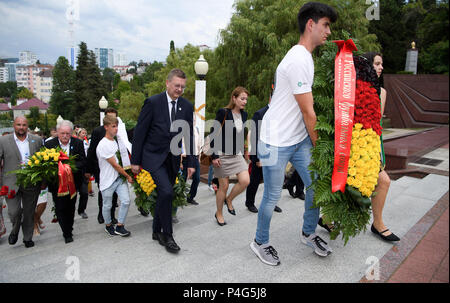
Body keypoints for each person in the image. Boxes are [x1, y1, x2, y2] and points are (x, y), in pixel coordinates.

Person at [250, 2, 337, 266]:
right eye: (325, 25)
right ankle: (260, 241)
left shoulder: (305, 56)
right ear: (311, 24)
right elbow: (309, 113)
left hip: (297, 139)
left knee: (315, 186)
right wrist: (321, 148)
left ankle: (309, 233)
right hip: (274, 140)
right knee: (271, 196)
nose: (329, 32)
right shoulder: (298, 59)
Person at [131, 68, 195, 254]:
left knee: (164, 194)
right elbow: (140, 133)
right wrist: (135, 161)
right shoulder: (152, 103)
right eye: (176, 85)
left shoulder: (186, 106)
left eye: (182, 86)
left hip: (173, 158)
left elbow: (188, 135)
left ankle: (155, 230)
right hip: (153, 156)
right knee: (166, 192)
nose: (179, 89)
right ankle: (168, 235)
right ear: (167, 83)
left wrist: (191, 162)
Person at [362, 52, 399, 242]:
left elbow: (377, 123)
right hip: (354, 144)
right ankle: (327, 219)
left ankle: (378, 224)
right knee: (349, 183)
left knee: (383, 181)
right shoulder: (353, 87)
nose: (381, 67)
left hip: (371, 144)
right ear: (368, 65)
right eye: (377, 64)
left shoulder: (382, 92)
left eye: (381, 64)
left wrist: (376, 152)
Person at [0, 117, 43, 248]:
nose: (21, 127)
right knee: (14, 212)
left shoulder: (36, 140)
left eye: (24, 125)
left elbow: (43, 163)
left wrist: (43, 181)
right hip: (11, 183)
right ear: (14, 125)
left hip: (31, 182)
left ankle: (27, 238)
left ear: (27, 126)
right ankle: (15, 230)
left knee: (29, 212)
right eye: (18, 124)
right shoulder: (3, 141)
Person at [211, 86, 250, 226]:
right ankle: (219, 213)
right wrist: (214, 156)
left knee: (245, 180)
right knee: (224, 186)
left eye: (246, 99)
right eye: (242, 98)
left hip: (236, 155)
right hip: (221, 155)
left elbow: (240, 135)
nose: (244, 101)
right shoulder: (224, 112)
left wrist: (244, 149)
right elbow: (213, 132)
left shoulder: (244, 115)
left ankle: (229, 200)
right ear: (234, 98)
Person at [45, 120, 87, 243]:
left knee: (70, 207)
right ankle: (66, 231)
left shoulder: (78, 143)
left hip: (73, 182)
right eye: (62, 133)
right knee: (60, 208)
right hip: (57, 184)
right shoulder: (49, 145)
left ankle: (69, 228)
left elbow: (83, 161)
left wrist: (69, 166)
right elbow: (45, 164)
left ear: (71, 133)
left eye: (67, 133)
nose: (65, 136)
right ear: (57, 132)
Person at [97, 115, 133, 237]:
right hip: (108, 180)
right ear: (106, 127)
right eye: (113, 126)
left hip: (119, 178)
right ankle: (108, 225)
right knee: (107, 205)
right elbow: (115, 165)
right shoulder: (103, 144)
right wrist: (128, 176)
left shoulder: (117, 141)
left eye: (117, 126)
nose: (116, 129)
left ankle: (120, 225)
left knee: (126, 201)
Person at [245, 104, 282, 213]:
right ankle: (249, 202)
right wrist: (257, 158)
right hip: (260, 152)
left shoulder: (280, 112)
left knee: (272, 180)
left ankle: (272, 203)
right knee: (255, 180)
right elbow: (254, 137)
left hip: (274, 151)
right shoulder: (260, 113)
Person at [86, 108, 120, 224]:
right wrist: (89, 169)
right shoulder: (97, 131)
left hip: (116, 167)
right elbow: (92, 151)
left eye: (114, 117)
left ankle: (111, 215)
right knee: (104, 192)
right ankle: (101, 213)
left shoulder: (119, 131)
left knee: (115, 193)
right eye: (109, 117)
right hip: (101, 168)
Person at [75, 127, 89, 219]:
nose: (84, 134)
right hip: (74, 170)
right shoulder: (75, 142)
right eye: (82, 133)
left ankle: (81, 210)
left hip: (83, 170)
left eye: (85, 133)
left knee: (84, 193)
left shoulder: (87, 142)